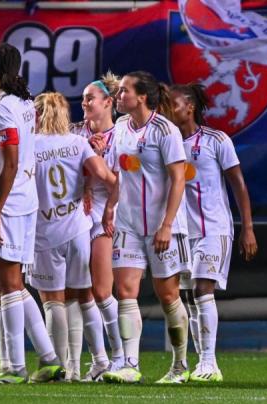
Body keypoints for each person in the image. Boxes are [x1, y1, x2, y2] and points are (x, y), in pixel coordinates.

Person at [101, 71, 191, 384]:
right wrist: (110, 207)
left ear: (141, 97)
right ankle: (130, 364)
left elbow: (178, 179)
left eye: (124, 91)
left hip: (162, 227)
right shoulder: (120, 127)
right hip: (128, 223)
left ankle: (180, 365)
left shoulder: (166, 130)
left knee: (168, 295)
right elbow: (120, 171)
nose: (118, 95)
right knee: (125, 291)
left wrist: (166, 225)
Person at [0, 43, 63, 384]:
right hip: (27, 200)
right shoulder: (25, 102)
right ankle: (49, 358)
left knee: (8, 286)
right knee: (14, 284)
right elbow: (2, 104)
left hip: (10, 203)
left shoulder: (4, 108)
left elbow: (10, 162)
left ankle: (13, 367)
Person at [169, 83, 258, 381]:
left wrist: (248, 228)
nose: (169, 109)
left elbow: (238, 184)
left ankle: (209, 362)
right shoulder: (166, 143)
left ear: (190, 107)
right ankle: (200, 363)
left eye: (173, 104)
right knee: (187, 297)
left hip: (213, 228)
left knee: (202, 289)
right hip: (182, 232)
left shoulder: (216, 140)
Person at [32, 92, 117, 381]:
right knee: (84, 296)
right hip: (78, 230)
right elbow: (108, 178)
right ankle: (101, 360)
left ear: (38, 115)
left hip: (46, 232)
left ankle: (59, 368)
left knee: (53, 301)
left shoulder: (31, 146)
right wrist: (108, 207)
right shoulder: (78, 143)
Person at [70, 72, 126, 375]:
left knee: (103, 290)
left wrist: (96, 160)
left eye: (90, 98)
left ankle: (122, 356)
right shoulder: (75, 133)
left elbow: (122, 182)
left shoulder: (122, 136)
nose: (84, 103)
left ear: (108, 102)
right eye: (83, 98)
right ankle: (99, 360)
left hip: (106, 212)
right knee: (83, 292)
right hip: (77, 214)